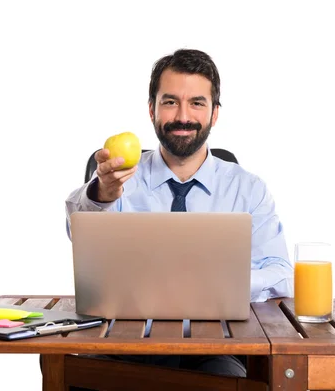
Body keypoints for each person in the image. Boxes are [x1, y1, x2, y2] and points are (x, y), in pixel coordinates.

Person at [63, 48, 293, 380]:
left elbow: (282, 274)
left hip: (214, 351)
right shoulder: (117, 179)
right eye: (170, 102)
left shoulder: (248, 190)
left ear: (214, 114)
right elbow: (76, 227)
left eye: (197, 103)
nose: (182, 116)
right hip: (121, 345)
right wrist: (101, 195)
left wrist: (221, 286)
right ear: (152, 110)